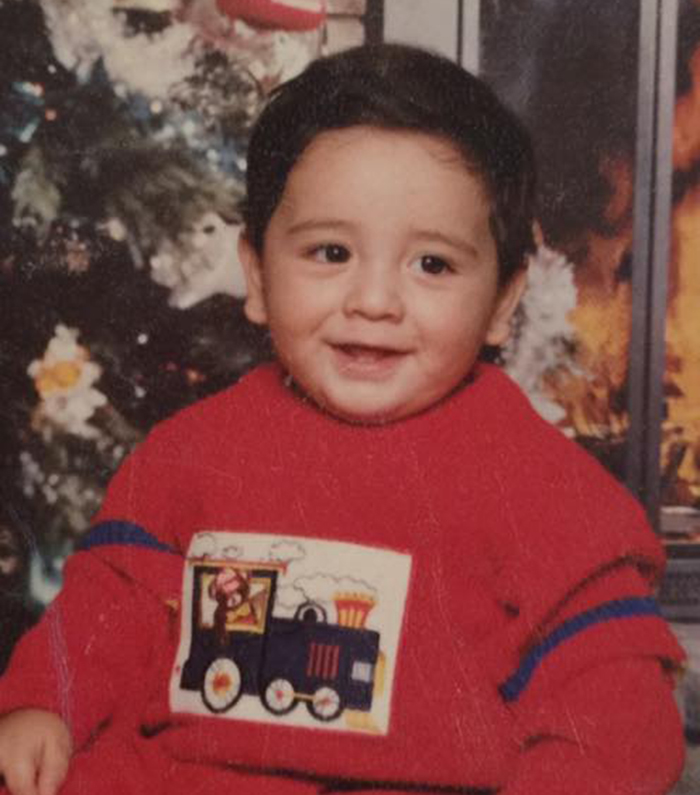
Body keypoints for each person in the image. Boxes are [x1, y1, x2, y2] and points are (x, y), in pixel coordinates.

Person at [0, 43, 685, 795]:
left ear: (502, 302)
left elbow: (613, 702)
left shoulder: (544, 489)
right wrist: (44, 702)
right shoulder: (193, 452)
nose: (374, 301)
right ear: (258, 275)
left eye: (432, 265)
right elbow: (109, 606)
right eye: (331, 252)